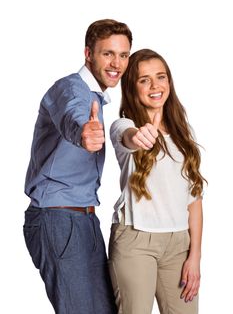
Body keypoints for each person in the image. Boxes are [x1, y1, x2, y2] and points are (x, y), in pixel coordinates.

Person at [23, 19, 132, 314]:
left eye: (123, 55)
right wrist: (83, 132)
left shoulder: (95, 97)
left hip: (84, 220)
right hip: (58, 219)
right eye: (107, 53)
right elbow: (73, 115)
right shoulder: (69, 89)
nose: (117, 63)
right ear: (88, 54)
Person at [108, 49, 206, 314]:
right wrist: (137, 135)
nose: (155, 86)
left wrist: (194, 257)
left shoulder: (182, 135)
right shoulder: (125, 126)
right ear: (132, 88)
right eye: (144, 80)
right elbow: (124, 135)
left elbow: (194, 201)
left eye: (161, 77)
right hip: (136, 242)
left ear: (169, 82)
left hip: (179, 245)